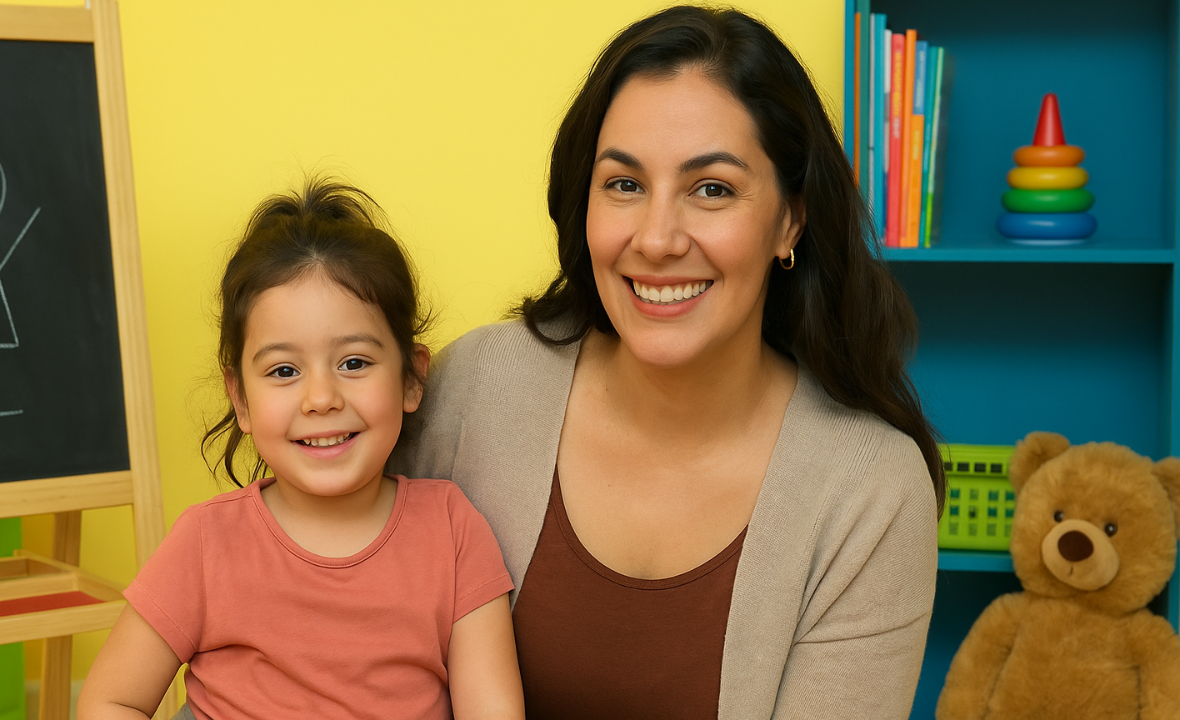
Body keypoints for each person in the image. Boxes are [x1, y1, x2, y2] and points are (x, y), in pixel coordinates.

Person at [390, 6, 945, 719]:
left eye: (712, 189)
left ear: (790, 220)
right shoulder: (473, 391)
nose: (656, 240)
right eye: (624, 184)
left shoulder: (870, 491)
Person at [79, 180, 524, 720]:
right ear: (240, 400)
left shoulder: (453, 532)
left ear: (411, 378)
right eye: (284, 371)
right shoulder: (205, 542)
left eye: (354, 363)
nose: (320, 398)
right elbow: (109, 701)